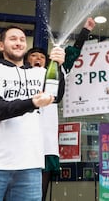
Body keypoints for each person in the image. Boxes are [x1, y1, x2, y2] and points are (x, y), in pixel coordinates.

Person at [0, 25, 66, 201]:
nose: (19, 43)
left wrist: (58, 65)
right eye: (13, 39)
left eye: (22, 39)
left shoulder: (40, 72)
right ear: (1, 45)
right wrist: (32, 102)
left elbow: (55, 95)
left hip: (31, 165)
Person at [26, 17, 95, 201]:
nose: (38, 59)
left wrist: (85, 31)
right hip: (23, 137)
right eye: (33, 56)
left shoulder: (56, 70)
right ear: (27, 60)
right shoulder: (19, 74)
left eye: (41, 57)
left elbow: (73, 52)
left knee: (42, 182)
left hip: (46, 137)